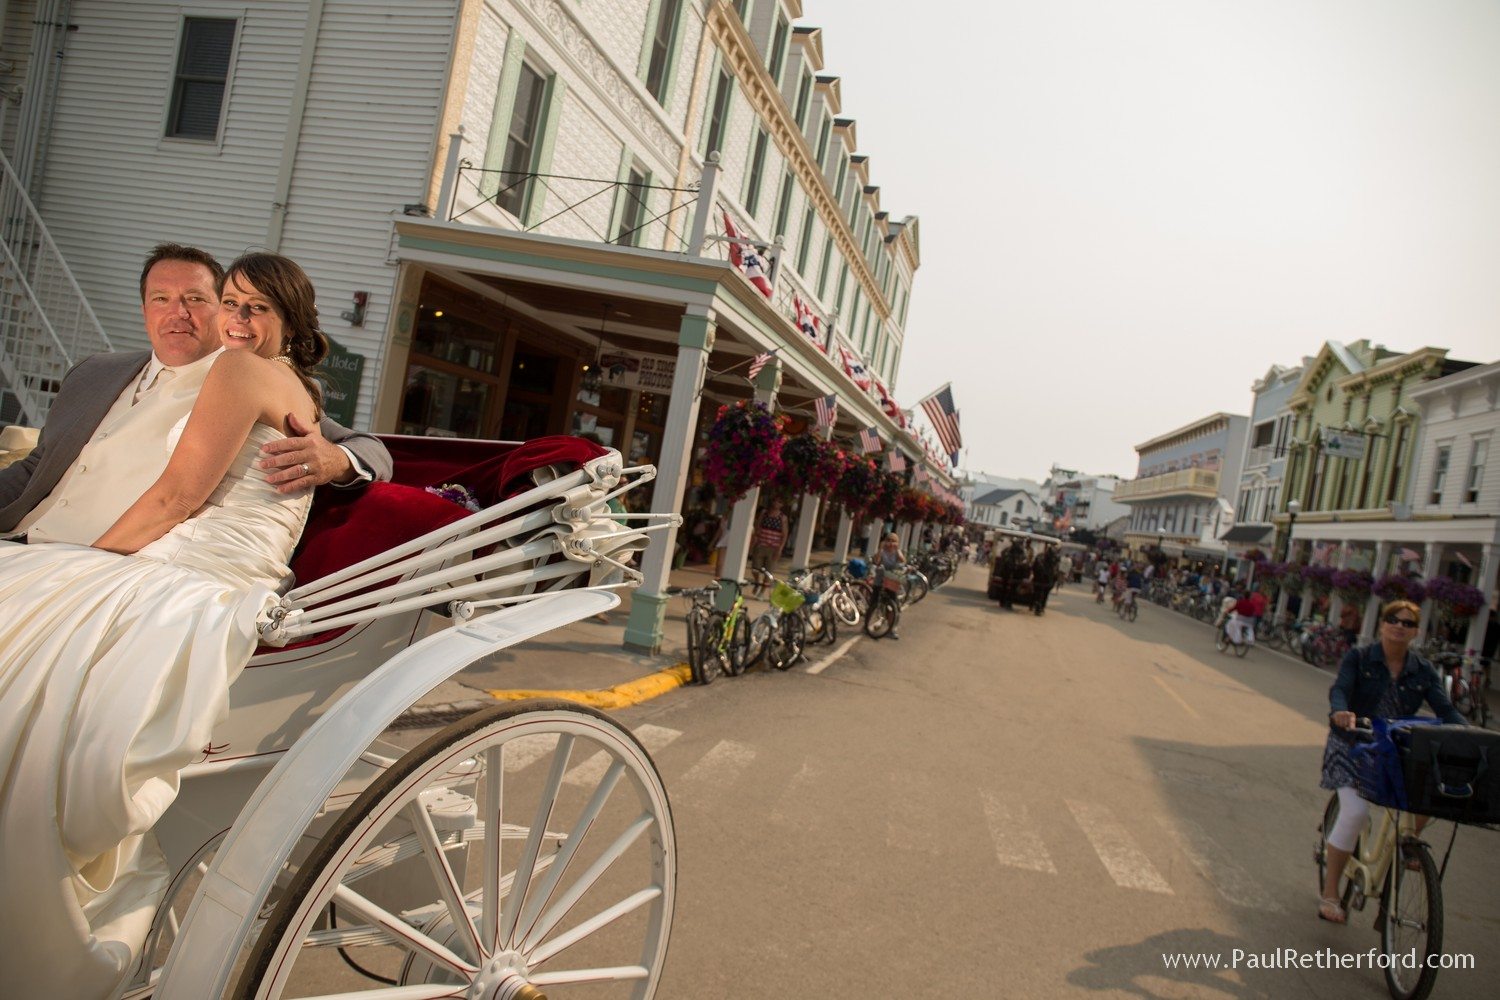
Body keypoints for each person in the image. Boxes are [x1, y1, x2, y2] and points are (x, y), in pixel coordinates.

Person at [0, 250, 355, 997]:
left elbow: (180, 496)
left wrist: (88, 566)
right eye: (230, 302)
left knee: (33, 617)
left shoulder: (235, 369)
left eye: (253, 307)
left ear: (289, 321)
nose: (233, 319)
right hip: (216, 564)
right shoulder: (281, 384)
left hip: (196, 568)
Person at [0, 244, 391, 536]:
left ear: (215, 308)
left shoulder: (248, 378)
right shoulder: (92, 372)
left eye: (195, 299)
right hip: (25, 537)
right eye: (161, 299)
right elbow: (37, 467)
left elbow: (369, 449)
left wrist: (337, 460)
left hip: (110, 559)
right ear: (144, 311)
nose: (178, 313)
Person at [1316, 600, 1465, 924]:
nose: (1399, 626)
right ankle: (1330, 892)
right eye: (1393, 619)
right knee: (1355, 813)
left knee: (1433, 793)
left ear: (1416, 632)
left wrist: (1469, 733)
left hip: (1395, 750)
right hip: (1353, 744)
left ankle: (1406, 846)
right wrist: (1341, 712)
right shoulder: (1359, 658)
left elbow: (1445, 709)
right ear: (1382, 624)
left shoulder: (1422, 670)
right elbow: (1339, 690)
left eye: (1408, 623)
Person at [749, 497, 787, 596]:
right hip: (761, 544)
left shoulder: (782, 518)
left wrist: (780, 549)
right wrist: (755, 540)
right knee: (755, 568)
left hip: (773, 548)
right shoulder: (764, 513)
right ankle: (757, 582)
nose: (776, 503)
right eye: (775, 500)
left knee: (768, 571)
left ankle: (762, 592)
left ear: (782, 505)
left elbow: (784, 534)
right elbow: (758, 526)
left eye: (779, 502)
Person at [876, 531, 906, 638]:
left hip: (893, 581)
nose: (890, 543)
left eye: (893, 541)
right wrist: (880, 549)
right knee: (875, 601)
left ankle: (892, 628)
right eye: (888, 540)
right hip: (882, 579)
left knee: (893, 606)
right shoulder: (882, 551)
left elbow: (903, 562)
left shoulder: (897, 552)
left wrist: (897, 551)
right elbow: (877, 561)